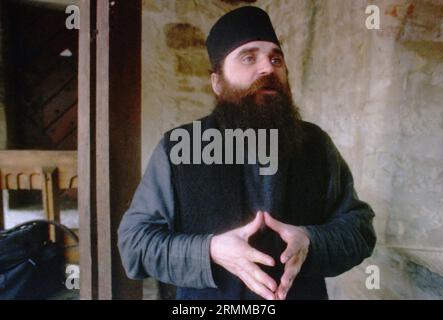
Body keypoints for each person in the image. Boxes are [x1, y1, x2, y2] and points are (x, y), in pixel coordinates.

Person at [118, 6, 376, 300]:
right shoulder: (178, 148)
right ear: (217, 82)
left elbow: (359, 230)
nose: (268, 68)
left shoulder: (316, 144)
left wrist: (312, 241)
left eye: (276, 58)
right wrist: (210, 251)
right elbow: (134, 243)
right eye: (249, 57)